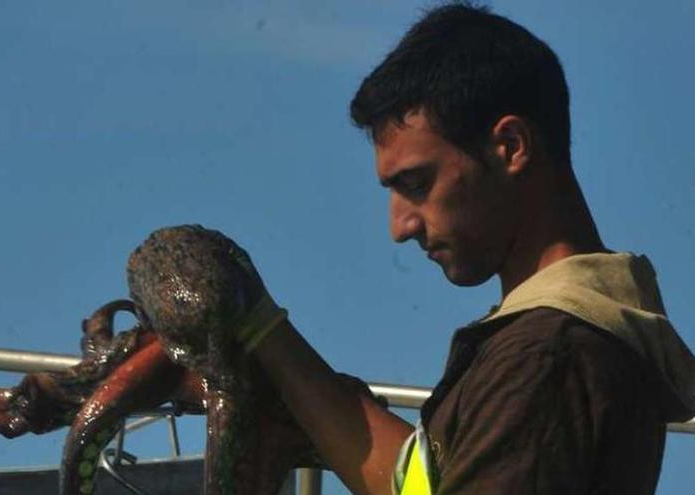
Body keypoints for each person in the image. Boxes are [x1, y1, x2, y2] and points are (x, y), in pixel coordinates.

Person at [221, 3, 695, 494]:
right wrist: (261, 329)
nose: (399, 227)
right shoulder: (571, 338)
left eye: (418, 183)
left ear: (510, 146)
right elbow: (417, 484)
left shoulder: (544, 357)